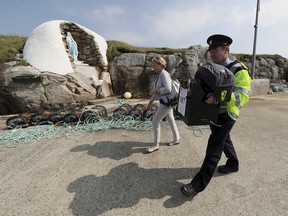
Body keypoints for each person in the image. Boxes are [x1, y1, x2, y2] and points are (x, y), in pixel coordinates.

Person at [181, 34, 251, 197]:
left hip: (227, 115)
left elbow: (244, 96)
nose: (211, 54)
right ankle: (233, 164)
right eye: (210, 51)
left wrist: (218, 97)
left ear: (226, 50)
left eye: (215, 51)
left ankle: (197, 185)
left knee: (214, 147)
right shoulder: (212, 68)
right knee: (224, 139)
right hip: (213, 113)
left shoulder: (239, 70)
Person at [146, 56, 180, 153]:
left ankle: (156, 144)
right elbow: (157, 93)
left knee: (155, 121)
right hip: (166, 102)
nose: (153, 67)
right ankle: (176, 138)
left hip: (166, 103)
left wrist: (155, 90)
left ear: (161, 64)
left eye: (155, 65)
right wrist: (150, 102)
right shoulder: (161, 74)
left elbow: (168, 89)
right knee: (171, 120)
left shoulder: (164, 74)